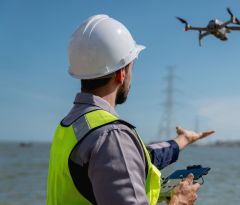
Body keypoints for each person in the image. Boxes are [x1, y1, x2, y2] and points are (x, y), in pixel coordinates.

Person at [46, 14, 214, 205]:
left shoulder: (73, 125)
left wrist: (184, 139)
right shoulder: (112, 135)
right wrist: (179, 201)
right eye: (132, 67)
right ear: (121, 73)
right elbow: (119, 152)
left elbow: (136, 157)